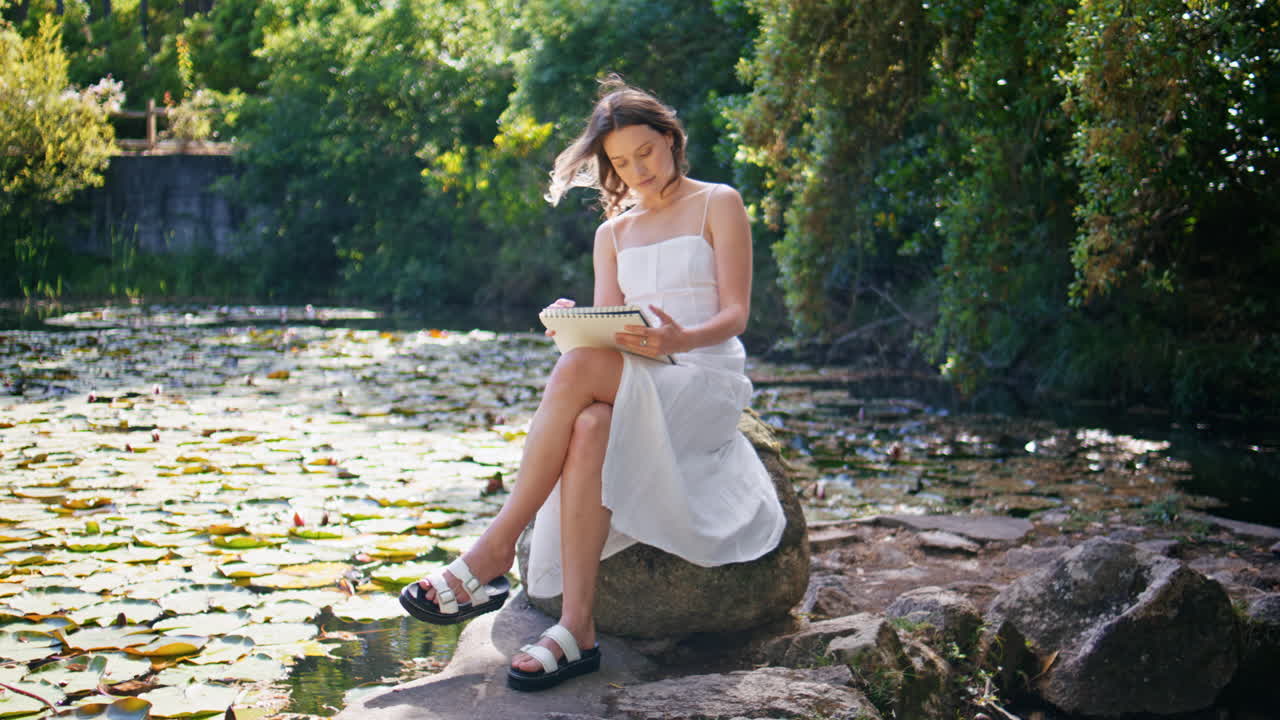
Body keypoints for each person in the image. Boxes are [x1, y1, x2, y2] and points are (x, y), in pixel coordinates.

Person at [399, 76, 786, 692]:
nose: (637, 171)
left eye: (646, 153)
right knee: (590, 423)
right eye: (620, 163)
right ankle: (579, 630)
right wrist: (572, 324)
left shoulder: (720, 202)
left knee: (582, 382)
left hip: (704, 377)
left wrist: (675, 341)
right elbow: (609, 335)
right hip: (643, 378)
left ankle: (494, 551)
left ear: (671, 137)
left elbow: (736, 314)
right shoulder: (613, 234)